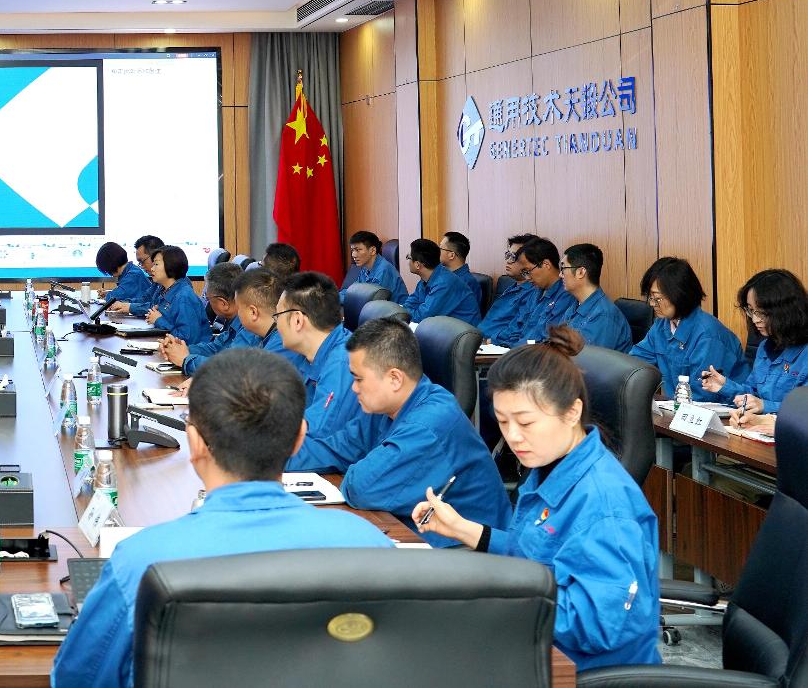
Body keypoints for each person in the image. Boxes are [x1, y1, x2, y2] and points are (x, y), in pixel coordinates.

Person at [50, 348, 392, 688]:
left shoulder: (141, 563)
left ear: (194, 442)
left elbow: (75, 679)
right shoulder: (371, 547)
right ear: (299, 439)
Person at [416, 325, 660, 671]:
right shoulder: (550, 466)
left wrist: (497, 598)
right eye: (503, 422)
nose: (513, 437)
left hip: (582, 670)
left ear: (572, 412)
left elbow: (597, 626)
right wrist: (461, 529)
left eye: (526, 423)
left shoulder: (604, 505)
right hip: (535, 645)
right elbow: (534, 555)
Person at [286, 318, 508, 547]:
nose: (354, 388)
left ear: (394, 379)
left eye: (359, 379)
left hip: (464, 553)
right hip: (410, 532)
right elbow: (336, 449)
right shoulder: (386, 408)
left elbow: (360, 487)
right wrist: (275, 454)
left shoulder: (428, 425)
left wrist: (357, 466)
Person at [629, 257, 745, 401]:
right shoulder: (661, 325)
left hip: (721, 409)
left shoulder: (707, 335)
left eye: (657, 298)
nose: (652, 304)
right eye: (650, 297)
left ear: (679, 295)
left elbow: (704, 395)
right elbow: (634, 361)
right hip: (679, 406)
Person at [703, 269, 808, 423]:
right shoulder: (764, 347)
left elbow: (804, 410)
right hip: (757, 430)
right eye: (751, 311)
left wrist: (765, 406)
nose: (755, 319)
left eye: (762, 312)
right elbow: (752, 395)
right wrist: (724, 386)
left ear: (785, 310)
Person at [275, 271, 360, 441]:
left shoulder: (343, 364)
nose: (276, 324)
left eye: (277, 316)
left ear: (297, 320)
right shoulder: (308, 355)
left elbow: (315, 436)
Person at [163, 262, 252, 373]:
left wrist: (186, 360)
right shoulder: (233, 322)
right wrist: (180, 349)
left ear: (223, 303)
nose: (207, 302)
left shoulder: (249, 327)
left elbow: (228, 368)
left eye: (208, 298)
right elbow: (215, 349)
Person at [495, 237, 578, 346]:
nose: (527, 278)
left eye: (528, 271)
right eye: (524, 273)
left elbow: (547, 340)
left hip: (535, 353)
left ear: (546, 264)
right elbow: (516, 328)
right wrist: (503, 344)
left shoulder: (565, 295)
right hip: (516, 349)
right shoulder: (534, 292)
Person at [561, 243, 632, 353]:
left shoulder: (604, 315)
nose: (560, 275)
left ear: (580, 272)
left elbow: (590, 361)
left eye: (563, 268)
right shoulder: (575, 306)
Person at [232, 266, 305, 372]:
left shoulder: (281, 348)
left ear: (253, 312)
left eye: (238, 308)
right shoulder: (266, 336)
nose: (237, 313)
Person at [399, 238, 480, 324]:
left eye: (408, 257)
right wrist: (405, 312)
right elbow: (409, 304)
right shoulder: (426, 279)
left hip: (464, 330)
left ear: (417, 265)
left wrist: (405, 312)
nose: (408, 261)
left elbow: (421, 317)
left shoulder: (444, 283)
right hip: (444, 326)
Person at [142, 245, 211, 345]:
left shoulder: (184, 297)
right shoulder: (167, 291)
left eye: (156, 264)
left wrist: (158, 320)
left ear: (171, 265)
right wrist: (154, 316)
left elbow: (187, 339)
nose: (152, 269)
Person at [479, 233, 538, 342]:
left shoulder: (533, 293)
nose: (508, 260)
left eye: (514, 257)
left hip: (494, 346)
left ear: (531, 261)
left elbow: (517, 331)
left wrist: (489, 341)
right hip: (478, 340)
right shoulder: (511, 287)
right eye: (508, 255)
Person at [340, 230, 405, 301]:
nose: (353, 255)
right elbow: (353, 291)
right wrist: (334, 297)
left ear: (373, 250)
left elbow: (372, 299)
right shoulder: (365, 269)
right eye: (352, 250)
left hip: (393, 307)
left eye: (358, 250)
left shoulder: (384, 270)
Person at [97, 241, 153, 310]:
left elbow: (115, 298)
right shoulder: (131, 270)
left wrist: (109, 294)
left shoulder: (133, 275)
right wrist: (108, 293)